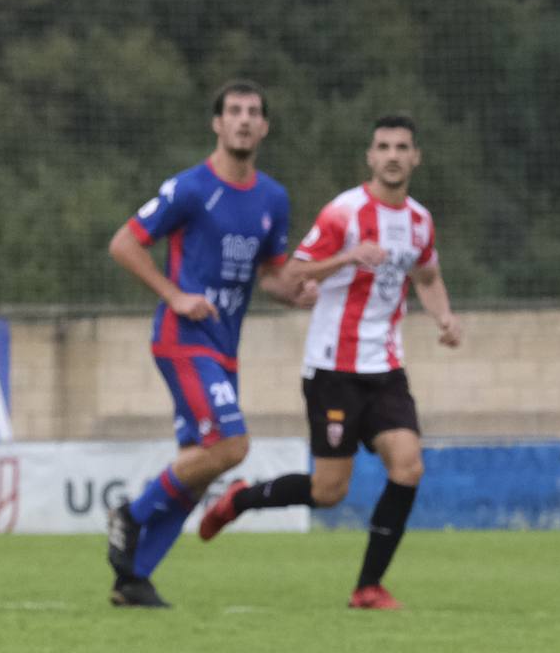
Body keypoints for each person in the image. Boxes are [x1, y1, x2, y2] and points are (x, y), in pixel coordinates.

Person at [196, 114, 463, 608]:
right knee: (328, 491)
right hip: (332, 370)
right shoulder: (344, 212)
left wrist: (444, 317)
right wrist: (346, 258)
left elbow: (426, 276)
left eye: (402, 147)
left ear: (415, 157)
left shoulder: (420, 221)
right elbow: (293, 272)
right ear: (370, 156)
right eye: (383, 146)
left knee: (408, 467)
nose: (392, 155)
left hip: (385, 368)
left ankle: (367, 587)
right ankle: (239, 499)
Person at [103, 81, 306, 608]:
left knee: (201, 463)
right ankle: (131, 513)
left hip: (223, 348)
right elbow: (124, 243)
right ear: (217, 124)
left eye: (253, 113)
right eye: (233, 112)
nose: (243, 120)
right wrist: (175, 296)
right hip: (182, 340)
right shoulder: (192, 188)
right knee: (231, 447)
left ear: (264, 127)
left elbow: (274, 278)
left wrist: (317, 289)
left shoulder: (273, 199)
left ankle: (134, 579)